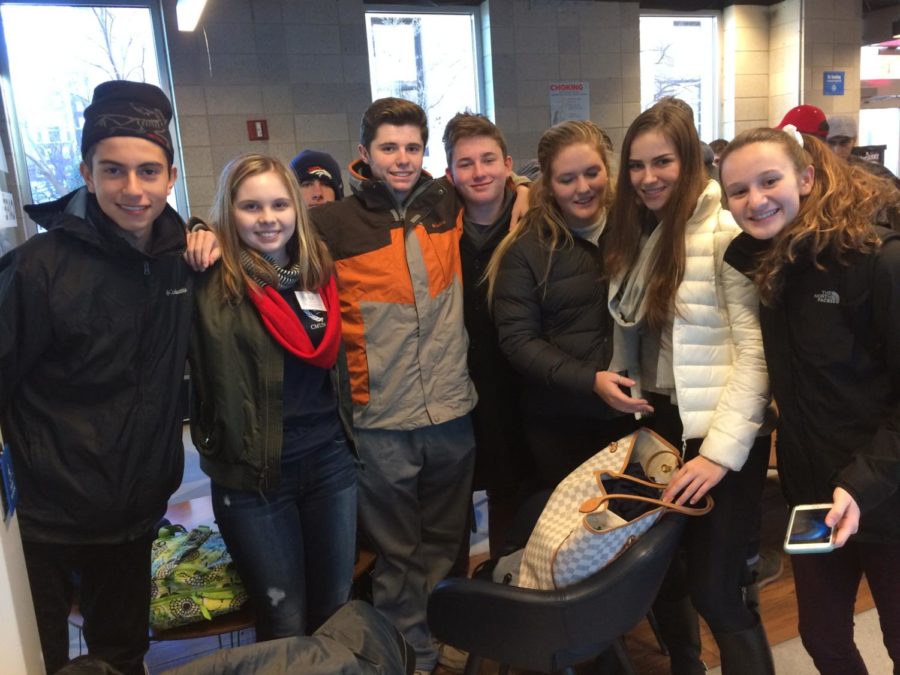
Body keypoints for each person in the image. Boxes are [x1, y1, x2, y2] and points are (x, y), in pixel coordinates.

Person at [0, 80, 191, 675]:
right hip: (45, 521)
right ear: (87, 173)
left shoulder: (179, 259)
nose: (132, 189)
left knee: (124, 654)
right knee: (40, 661)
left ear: (171, 175)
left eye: (148, 171)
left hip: (132, 511)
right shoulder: (38, 270)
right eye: (113, 171)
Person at [594, 100, 773, 674]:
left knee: (718, 588)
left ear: (691, 159)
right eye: (637, 165)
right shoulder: (640, 233)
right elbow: (634, 331)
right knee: (662, 571)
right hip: (663, 420)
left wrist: (718, 456)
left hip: (721, 434)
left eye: (663, 162)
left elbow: (755, 359)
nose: (649, 178)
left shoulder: (725, 231)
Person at [719, 125, 900, 675]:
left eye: (769, 180)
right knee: (821, 638)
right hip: (815, 493)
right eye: (739, 190)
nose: (756, 200)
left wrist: (863, 483)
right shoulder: (771, 265)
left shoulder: (877, 261)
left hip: (887, 491)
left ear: (806, 177)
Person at [308, 97, 478, 675]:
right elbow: (265, 241)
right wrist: (204, 233)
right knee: (397, 553)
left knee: (445, 543)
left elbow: (513, 192)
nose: (401, 159)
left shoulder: (446, 206)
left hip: (452, 413)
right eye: (388, 148)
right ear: (364, 154)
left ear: (425, 153)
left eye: (411, 148)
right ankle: (408, 653)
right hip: (380, 420)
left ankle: (438, 634)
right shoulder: (331, 225)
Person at [188, 154, 357, 640]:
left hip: (329, 463)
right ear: (228, 211)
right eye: (250, 207)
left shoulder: (315, 270)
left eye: (280, 204)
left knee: (334, 607)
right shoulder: (209, 277)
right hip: (254, 477)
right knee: (282, 617)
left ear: (298, 209)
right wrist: (196, 231)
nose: (267, 218)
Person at [485, 120, 638, 491]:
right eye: (567, 179)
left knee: (636, 524)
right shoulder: (526, 250)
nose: (583, 188)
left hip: (635, 413)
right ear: (549, 186)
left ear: (607, 170)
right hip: (562, 420)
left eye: (592, 173)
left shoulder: (636, 230)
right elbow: (519, 341)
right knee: (577, 533)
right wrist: (590, 381)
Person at [442, 112, 532, 558]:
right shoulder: (436, 226)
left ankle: (504, 590)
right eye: (466, 163)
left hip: (518, 385)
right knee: (451, 497)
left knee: (510, 492)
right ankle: (455, 602)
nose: (479, 172)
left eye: (488, 160)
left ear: (508, 164)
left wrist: (530, 190)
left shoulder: (533, 223)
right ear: (449, 173)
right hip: (454, 383)